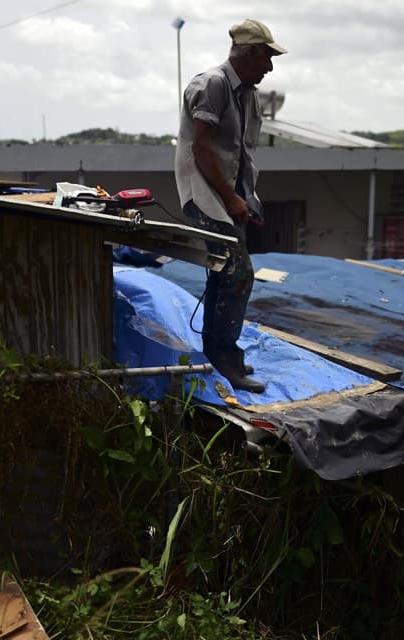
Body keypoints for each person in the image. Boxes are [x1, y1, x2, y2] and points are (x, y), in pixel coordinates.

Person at [174, 19, 286, 395]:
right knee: (238, 273)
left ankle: (218, 351)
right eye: (267, 57)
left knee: (226, 274)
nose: (269, 67)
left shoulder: (247, 95)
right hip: (204, 195)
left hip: (227, 198)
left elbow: (240, 155)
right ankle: (223, 354)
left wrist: (248, 199)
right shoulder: (213, 85)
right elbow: (201, 149)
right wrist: (232, 198)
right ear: (250, 52)